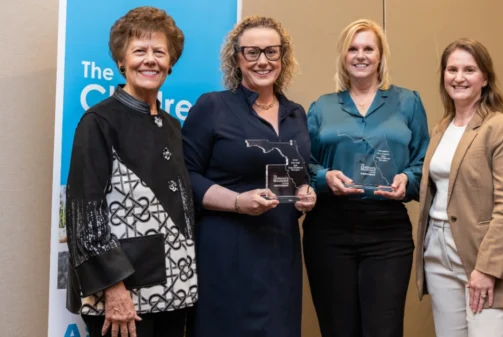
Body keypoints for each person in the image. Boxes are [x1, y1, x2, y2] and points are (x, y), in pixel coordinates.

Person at [64, 6, 196, 337]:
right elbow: (84, 214)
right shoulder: (99, 121)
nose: (150, 60)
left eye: (159, 52)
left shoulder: (172, 126)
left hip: (174, 294)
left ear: (170, 63)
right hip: (123, 300)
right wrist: (113, 289)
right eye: (139, 51)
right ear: (122, 61)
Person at [182, 16, 316, 337]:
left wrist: (306, 196)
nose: (262, 61)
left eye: (271, 51)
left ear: (283, 56)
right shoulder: (213, 106)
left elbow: (301, 171)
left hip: (280, 249)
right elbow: (186, 176)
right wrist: (238, 201)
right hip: (226, 250)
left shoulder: (296, 112)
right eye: (251, 52)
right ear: (236, 58)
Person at [303, 19, 429, 337]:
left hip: (388, 231)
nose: (361, 55)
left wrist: (408, 181)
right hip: (329, 230)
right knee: (338, 329)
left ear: (380, 56)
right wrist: (323, 178)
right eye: (353, 48)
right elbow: (303, 164)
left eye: (368, 48)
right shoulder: (322, 107)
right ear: (343, 57)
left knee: (383, 329)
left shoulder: (408, 102)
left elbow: (423, 160)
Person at [414, 38, 503, 336]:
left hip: (486, 255)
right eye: (451, 69)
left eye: (469, 69)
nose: (459, 77)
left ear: (485, 78)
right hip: (439, 253)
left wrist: (488, 268)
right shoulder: (441, 128)